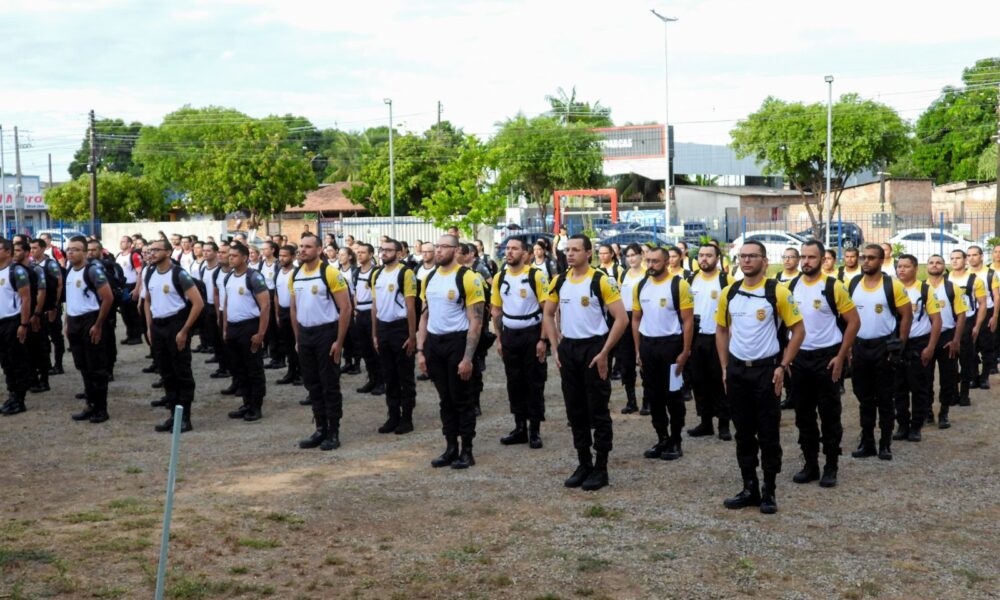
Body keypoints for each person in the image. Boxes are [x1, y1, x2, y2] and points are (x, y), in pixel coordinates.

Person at [715, 240, 805, 514]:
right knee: (743, 432)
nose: (746, 260)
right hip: (738, 371)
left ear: (764, 261)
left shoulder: (777, 292)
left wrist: (783, 366)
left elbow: (799, 331)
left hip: (766, 371)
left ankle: (769, 490)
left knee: (767, 432)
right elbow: (721, 330)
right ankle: (749, 487)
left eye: (752, 256)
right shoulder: (729, 292)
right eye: (742, 256)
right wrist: (725, 367)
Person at [543, 234, 628, 491]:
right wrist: (555, 346)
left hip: (594, 348)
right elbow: (548, 313)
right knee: (574, 410)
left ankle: (601, 467)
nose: (570, 254)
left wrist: (605, 352)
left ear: (588, 253)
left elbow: (621, 318)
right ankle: (584, 463)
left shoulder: (601, 280)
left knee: (598, 409)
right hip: (569, 348)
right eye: (567, 250)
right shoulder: (559, 281)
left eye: (576, 250)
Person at [786, 241, 860, 488]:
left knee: (829, 414)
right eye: (803, 257)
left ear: (822, 260)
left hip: (826, 358)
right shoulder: (790, 287)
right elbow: (784, 323)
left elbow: (854, 322)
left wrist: (841, 355)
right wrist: (786, 357)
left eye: (811, 257)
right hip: (800, 358)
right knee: (803, 414)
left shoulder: (833, 286)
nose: (806, 262)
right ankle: (810, 464)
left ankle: (831, 465)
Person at [417, 234, 486, 469]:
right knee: (445, 399)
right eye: (437, 246)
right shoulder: (430, 277)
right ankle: (450, 447)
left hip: (457, 342)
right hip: (434, 343)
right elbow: (424, 315)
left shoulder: (468, 277)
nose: (438, 250)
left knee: (462, 399)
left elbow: (476, 320)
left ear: (456, 250)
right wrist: (421, 351)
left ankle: (467, 450)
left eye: (444, 247)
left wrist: (468, 358)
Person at [848, 244, 912, 461]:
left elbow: (906, 316)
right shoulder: (853, 284)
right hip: (860, 347)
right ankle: (867, 442)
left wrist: (899, 346)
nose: (866, 261)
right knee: (864, 397)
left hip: (883, 348)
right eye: (863, 257)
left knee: (885, 398)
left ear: (881, 261)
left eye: (871, 258)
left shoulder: (892, 285)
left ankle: (885, 443)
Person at [290, 234, 353, 450]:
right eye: (301, 246)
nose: (302, 250)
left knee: (329, 384)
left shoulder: (330, 273)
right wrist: (298, 338)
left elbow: (346, 308)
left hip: (326, 333)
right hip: (305, 334)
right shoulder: (296, 274)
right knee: (312, 384)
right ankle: (320, 428)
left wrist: (339, 341)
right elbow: (294, 309)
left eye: (308, 247)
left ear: (319, 250)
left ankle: (333, 431)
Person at [632, 246, 694, 461]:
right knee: (653, 395)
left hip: (671, 346)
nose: (650, 265)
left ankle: (676, 440)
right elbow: (636, 319)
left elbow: (688, 321)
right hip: (648, 346)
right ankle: (662, 438)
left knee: (673, 396)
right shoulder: (641, 286)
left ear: (667, 262)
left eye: (655, 261)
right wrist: (638, 350)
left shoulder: (679, 285)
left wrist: (685, 351)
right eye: (648, 261)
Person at [491, 237, 549, 448]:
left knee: (534, 382)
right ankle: (519, 428)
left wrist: (543, 339)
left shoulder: (536, 276)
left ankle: (534, 431)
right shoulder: (499, 277)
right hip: (510, 336)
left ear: (525, 254)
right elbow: (496, 309)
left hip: (532, 335)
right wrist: (499, 338)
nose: (509, 252)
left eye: (514, 249)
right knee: (514, 382)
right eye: (507, 248)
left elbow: (547, 310)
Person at [142, 239, 204, 433]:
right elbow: (147, 301)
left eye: (156, 250)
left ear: (168, 252)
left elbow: (198, 303)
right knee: (166, 372)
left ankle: (185, 418)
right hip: (158, 326)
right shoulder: (150, 273)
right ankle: (173, 415)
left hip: (176, 325)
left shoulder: (179, 274)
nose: (152, 253)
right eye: (150, 250)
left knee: (181, 372)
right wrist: (150, 326)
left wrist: (184, 330)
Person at [64, 236, 115, 424]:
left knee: (96, 368)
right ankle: (90, 404)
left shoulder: (92, 271)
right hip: (74, 322)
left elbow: (108, 298)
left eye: (76, 249)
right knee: (83, 366)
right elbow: (71, 299)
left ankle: (101, 409)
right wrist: (67, 323)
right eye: (69, 249)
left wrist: (98, 324)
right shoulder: (69, 271)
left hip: (90, 320)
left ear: (85, 253)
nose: (70, 252)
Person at [371, 239, 419, 434]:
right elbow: (375, 306)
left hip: (400, 329)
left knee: (404, 376)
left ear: (399, 254)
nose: (384, 253)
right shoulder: (376, 274)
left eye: (389, 250)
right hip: (383, 329)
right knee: (388, 375)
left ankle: (407, 418)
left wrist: (412, 336)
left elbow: (410, 306)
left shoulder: (405, 273)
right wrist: (375, 334)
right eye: (382, 249)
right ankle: (393, 416)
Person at [686, 243, 732, 440]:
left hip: (717, 337)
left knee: (719, 380)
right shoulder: (690, 280)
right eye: (701, 255)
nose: (704, 259)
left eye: (709, 255)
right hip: (696, 338)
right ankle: (705, 422)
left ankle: (724, 424)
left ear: (717, 258)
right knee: (699, 381)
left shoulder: (726, 280)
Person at [892, 254, 940, 443]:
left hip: (918, 344)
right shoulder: (891, 288)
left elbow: (936, 320)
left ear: (915, 269)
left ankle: (916, 426)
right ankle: (902, 424)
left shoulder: (925, 290)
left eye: (906, 266)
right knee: (898, 387)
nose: (901, 270)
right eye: (899, 266)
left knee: (919, 387)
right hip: (896, 344)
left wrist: (930, 347)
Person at [222, 242, 271, 422]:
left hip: (249, 327)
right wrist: (225, 328)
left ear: (244, 257)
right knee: (238, 368)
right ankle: (246, 402)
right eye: (229, 255)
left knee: (253, 368)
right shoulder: (229, 277)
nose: (230, 258)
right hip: (233, 327)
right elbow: (227, 303)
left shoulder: (253, 277)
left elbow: (265, 305)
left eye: (234, 256)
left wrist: (261, 333)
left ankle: (256, 406)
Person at [925, 254, 967, 429]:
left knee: (948, 378)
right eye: (931, 262)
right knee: (925, 377)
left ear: (944, 266)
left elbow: (962, 315)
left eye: (938, 262)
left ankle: (944, 413)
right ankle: (927, 411)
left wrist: (956, 340)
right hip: (926, 338)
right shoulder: (922, 287)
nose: (935, 265)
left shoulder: (952, 287)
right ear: (926, 266)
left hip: (947, 337)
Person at [947, 249, 986, 406]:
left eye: (958, 258)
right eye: (952, 258)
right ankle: (953, 393)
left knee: (966, 360)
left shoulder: (975, 280)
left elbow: (982, 304)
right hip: (949, 324)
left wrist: (977, 326)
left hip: (967, 323)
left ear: (965, 260)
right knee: (950, 362)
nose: (955, 261)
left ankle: (964, 394)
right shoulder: (945, 279)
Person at [13, 241, 51, 394]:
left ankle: (44, 380)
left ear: (26, 252)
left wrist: (36, 314)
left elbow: (42, 291)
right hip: (20, 314)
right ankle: (31, 378)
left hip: (35, 314)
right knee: (24, 349)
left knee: (39, 347)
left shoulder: (36, 269)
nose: (15, 253)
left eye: (18, 250)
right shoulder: (13, 270)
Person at [0, 238, 31, 416]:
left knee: (16, 361)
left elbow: (26, 299)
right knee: (6, 361)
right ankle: (12, 395)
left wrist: (23, 324)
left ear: (7, 252)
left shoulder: (16, 271)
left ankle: (19, 399)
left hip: (13, 321)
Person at [617, 243, 646, 415]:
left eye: (634, 255)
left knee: (644, 361)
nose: (631, 259)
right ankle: (631, 401)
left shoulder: (647, 275)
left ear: (641, 255)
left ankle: (647, 401)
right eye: (628, 256)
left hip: (643, 319)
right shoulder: (624, 274)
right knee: (626, 364)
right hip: (626, 320)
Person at [352, 243, 384, 395]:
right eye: (358, 252)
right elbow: (354, 293)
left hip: (372, 314)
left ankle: (381, 382)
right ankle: (372, 379)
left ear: (371, 255)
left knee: (376, 349)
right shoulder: (356, 272)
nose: (359, 255)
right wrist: (355, 310)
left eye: (363, 252)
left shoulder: (376, 272)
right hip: (360, 314)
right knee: (365, 350)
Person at [30, 238, 65, 376]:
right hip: (40, 307)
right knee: (42, 338)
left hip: (51, 306)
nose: (32, 251)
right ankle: (46, 365)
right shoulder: (32, 264)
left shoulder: (50, 264)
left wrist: (55, 305)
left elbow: (59, 284)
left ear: (43, 249)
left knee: (56, 336)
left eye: (35, 248)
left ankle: (58, 365)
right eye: (31, 248)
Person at [966, 245, 998, 390]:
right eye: (969, 255)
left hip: (987, 312)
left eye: (974, 255)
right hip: (970, 314)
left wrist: (995, 316)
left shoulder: (990, 273)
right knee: (970, 347)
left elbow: (996, 296)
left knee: (987, 347)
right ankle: (973, 376)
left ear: (981, 256)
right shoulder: (965, 274)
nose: (971, 258)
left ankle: (984, 377)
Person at [274, 245, 301, 386]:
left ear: (293, 257)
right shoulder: (278, 271)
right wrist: (277, 313)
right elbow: (276, 294)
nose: (281, 258)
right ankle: (291, 371)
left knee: (298, 343)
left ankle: (301, 373)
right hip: (283, 312)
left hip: (295, 312)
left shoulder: (296, 273)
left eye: (285, 256)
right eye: (280, 255)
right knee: (287, 344)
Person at [116, 236, 144, 344]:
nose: (121, 243)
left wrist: (137, 289)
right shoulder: (119, 256)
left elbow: (140, 273)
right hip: (122, 287)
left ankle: (137, 336)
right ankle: (130, 335)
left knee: (133, 313)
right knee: (125, 313)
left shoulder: (134, 255)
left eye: (123, 241)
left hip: (132, 286)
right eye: (120, 241)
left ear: (129, 243)